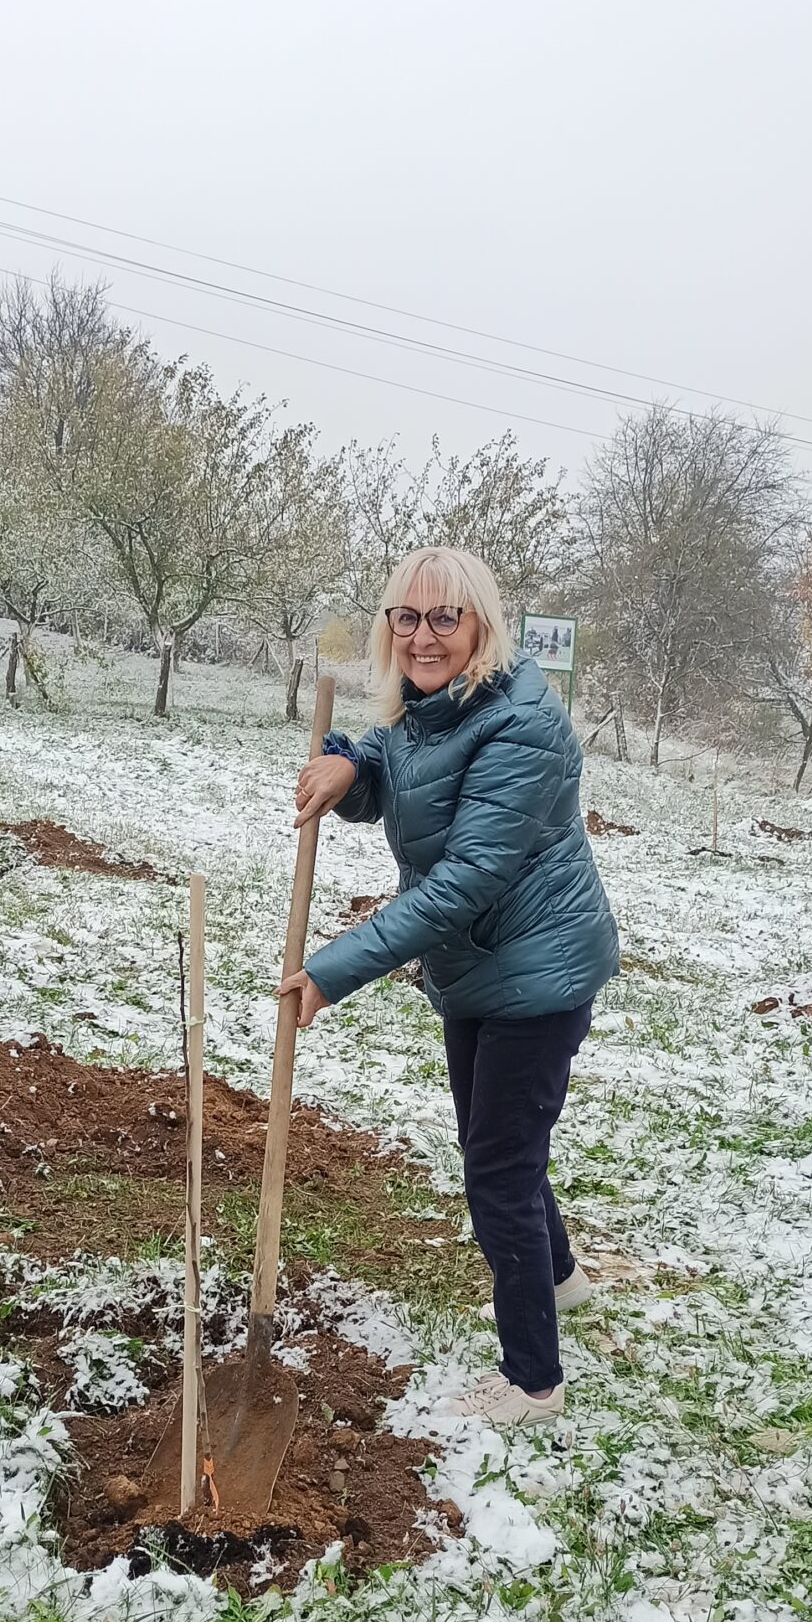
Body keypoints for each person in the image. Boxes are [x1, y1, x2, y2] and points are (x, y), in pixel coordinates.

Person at [279, 545, 620, 1429]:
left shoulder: (522, 725)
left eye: (443, 618)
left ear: (481, 625)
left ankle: (532, 1384)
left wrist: (334, 970)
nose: (422, 636)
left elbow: (466, 878)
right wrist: (351, 765)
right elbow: (405, 770)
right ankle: (558, 1279)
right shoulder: (430, 706)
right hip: (479, 966)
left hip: (535, 972)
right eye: (406, 616)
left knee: (497, 1173)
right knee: (495, 1146)